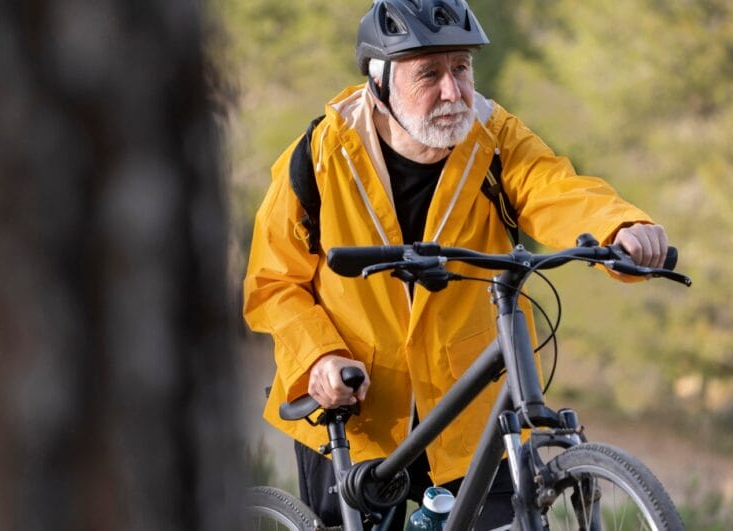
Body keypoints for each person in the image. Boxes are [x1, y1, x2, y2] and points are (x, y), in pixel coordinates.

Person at [242, 0, 669, 528]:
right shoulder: (320, 156)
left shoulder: (494, 139)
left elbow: (553, 188)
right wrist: (319, 358)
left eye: (461, 68)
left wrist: (618, 227)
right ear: (379, 83)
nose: (453, 91)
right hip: (358, 404)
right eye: (429, 74)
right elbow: (272, 282)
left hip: (469, 409)